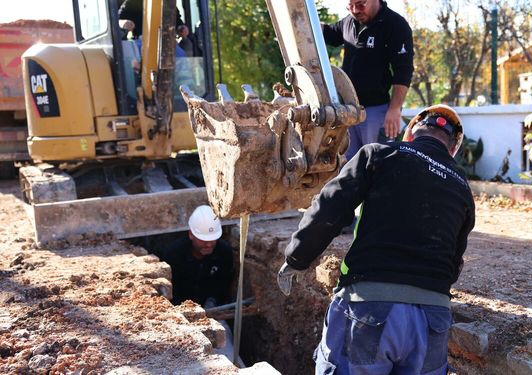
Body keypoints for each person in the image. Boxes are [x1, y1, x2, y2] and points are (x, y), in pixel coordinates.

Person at [277, 104, 476, 374]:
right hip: (433, 322)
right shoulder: (462, 186)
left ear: (409, 135)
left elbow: (330, 206)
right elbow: (455, 260)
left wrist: (297, 257)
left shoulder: (381, 154)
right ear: (452, 149)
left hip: (369, 308)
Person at [322, 0, 414, 160]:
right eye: (350, 6)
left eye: (361, 4)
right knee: (348, 167)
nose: (356, 10)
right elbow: (328, 33)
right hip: (348, 111)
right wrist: (302, 19)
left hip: (376, 112)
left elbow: (404, 70)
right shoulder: (348, 22)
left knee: (377, 166)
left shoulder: (395, 24)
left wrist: (395, 109)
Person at [159, 205, 234, 308]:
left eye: (212, 239)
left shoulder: (224, 252)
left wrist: (213, 300)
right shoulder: (174, 254)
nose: (208, 244)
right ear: (191, 234)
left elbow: (225, 283)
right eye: (203, 239)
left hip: (213, 307)